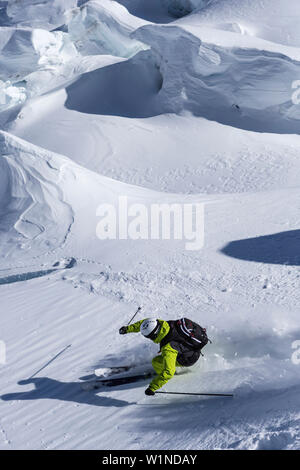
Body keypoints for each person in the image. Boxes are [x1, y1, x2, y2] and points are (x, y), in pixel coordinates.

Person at [119, 317, 208, 396]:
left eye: (149, 337)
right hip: (189, 350)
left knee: (156, 361)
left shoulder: (168, 348)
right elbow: (145, 323)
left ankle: (168, 374)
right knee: (166, 358)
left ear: (154, 335)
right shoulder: (163, 324)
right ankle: (169, 366)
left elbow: (169, 372)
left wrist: (152, 388)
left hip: (188, 359)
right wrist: (128, 329)